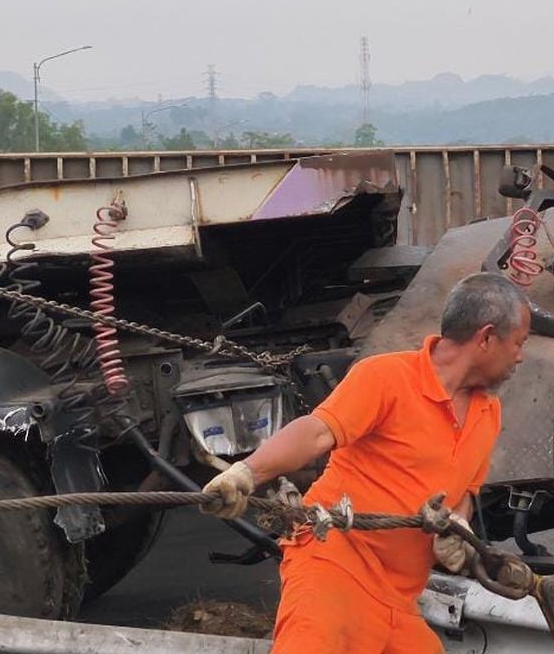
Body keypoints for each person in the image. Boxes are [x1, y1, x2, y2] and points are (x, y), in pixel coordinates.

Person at [201, 272, 531, 654]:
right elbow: (317, 432)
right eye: (519, 342)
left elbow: (463, 492)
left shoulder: (488, 412)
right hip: (334, 565)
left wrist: (457, 526)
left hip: (399, 600)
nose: (521, 356)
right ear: (487, 337)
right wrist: (246, 473)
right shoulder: (387, 377)